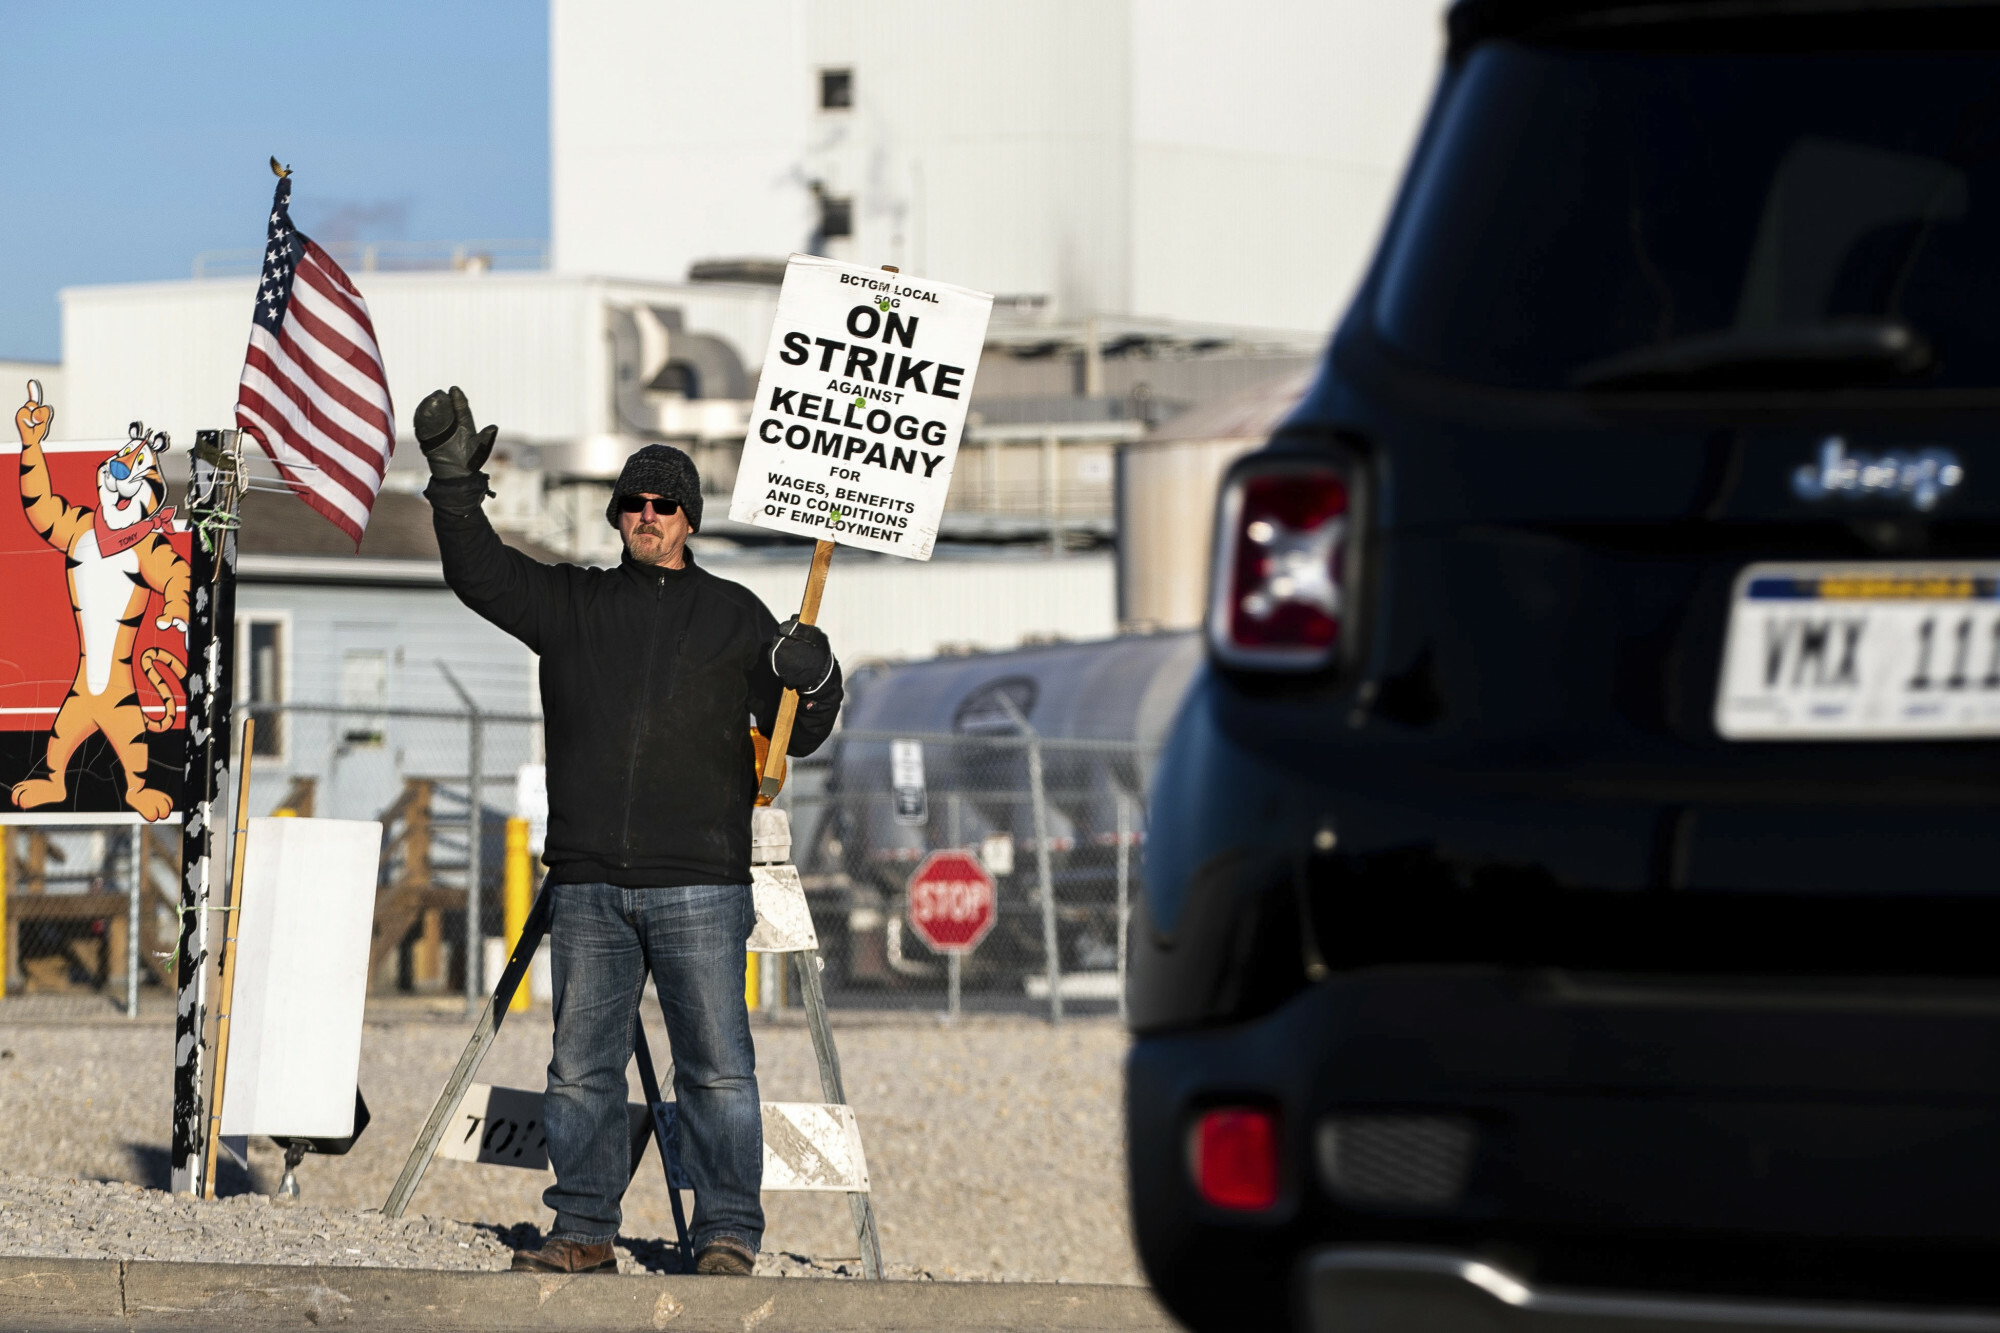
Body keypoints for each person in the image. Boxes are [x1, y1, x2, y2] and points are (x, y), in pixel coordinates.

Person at [417, 386, 842, 1277]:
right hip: (588, 885)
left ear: (690, 520)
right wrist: (454, 485)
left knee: (718, 1071)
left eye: (666, 504)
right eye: (634, 503)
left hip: (701, 880)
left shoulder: (737, 617)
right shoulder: (570, 604)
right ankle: (581, 1231)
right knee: (580, 1072)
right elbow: (480, 574)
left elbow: (798, 727)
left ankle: (726, 1233)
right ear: (617, 516)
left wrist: (821, 672)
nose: (648, 516)